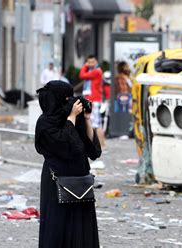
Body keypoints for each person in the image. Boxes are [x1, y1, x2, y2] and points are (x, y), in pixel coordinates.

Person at [35, 80, 101, 248]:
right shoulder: (45, 123)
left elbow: (92, 150)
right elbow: (63, 144)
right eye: (67, 98)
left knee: (82, 229)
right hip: (57, 182)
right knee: (58, 227)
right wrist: (70, 117)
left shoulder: (75, 118)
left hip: (80, 183)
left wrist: (86, 119)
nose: (71, 101)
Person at [79, 55, 106, 149]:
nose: (90, 64)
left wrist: (85, 66)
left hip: (95, 101)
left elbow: (82, 75)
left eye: (92, 62)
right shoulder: (93, 71)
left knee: (96, 125)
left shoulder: (96, 71)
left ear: (96, 62)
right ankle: (96, 145)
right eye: (88, 62)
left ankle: (102, 146)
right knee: (92, 123)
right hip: (91, 100)